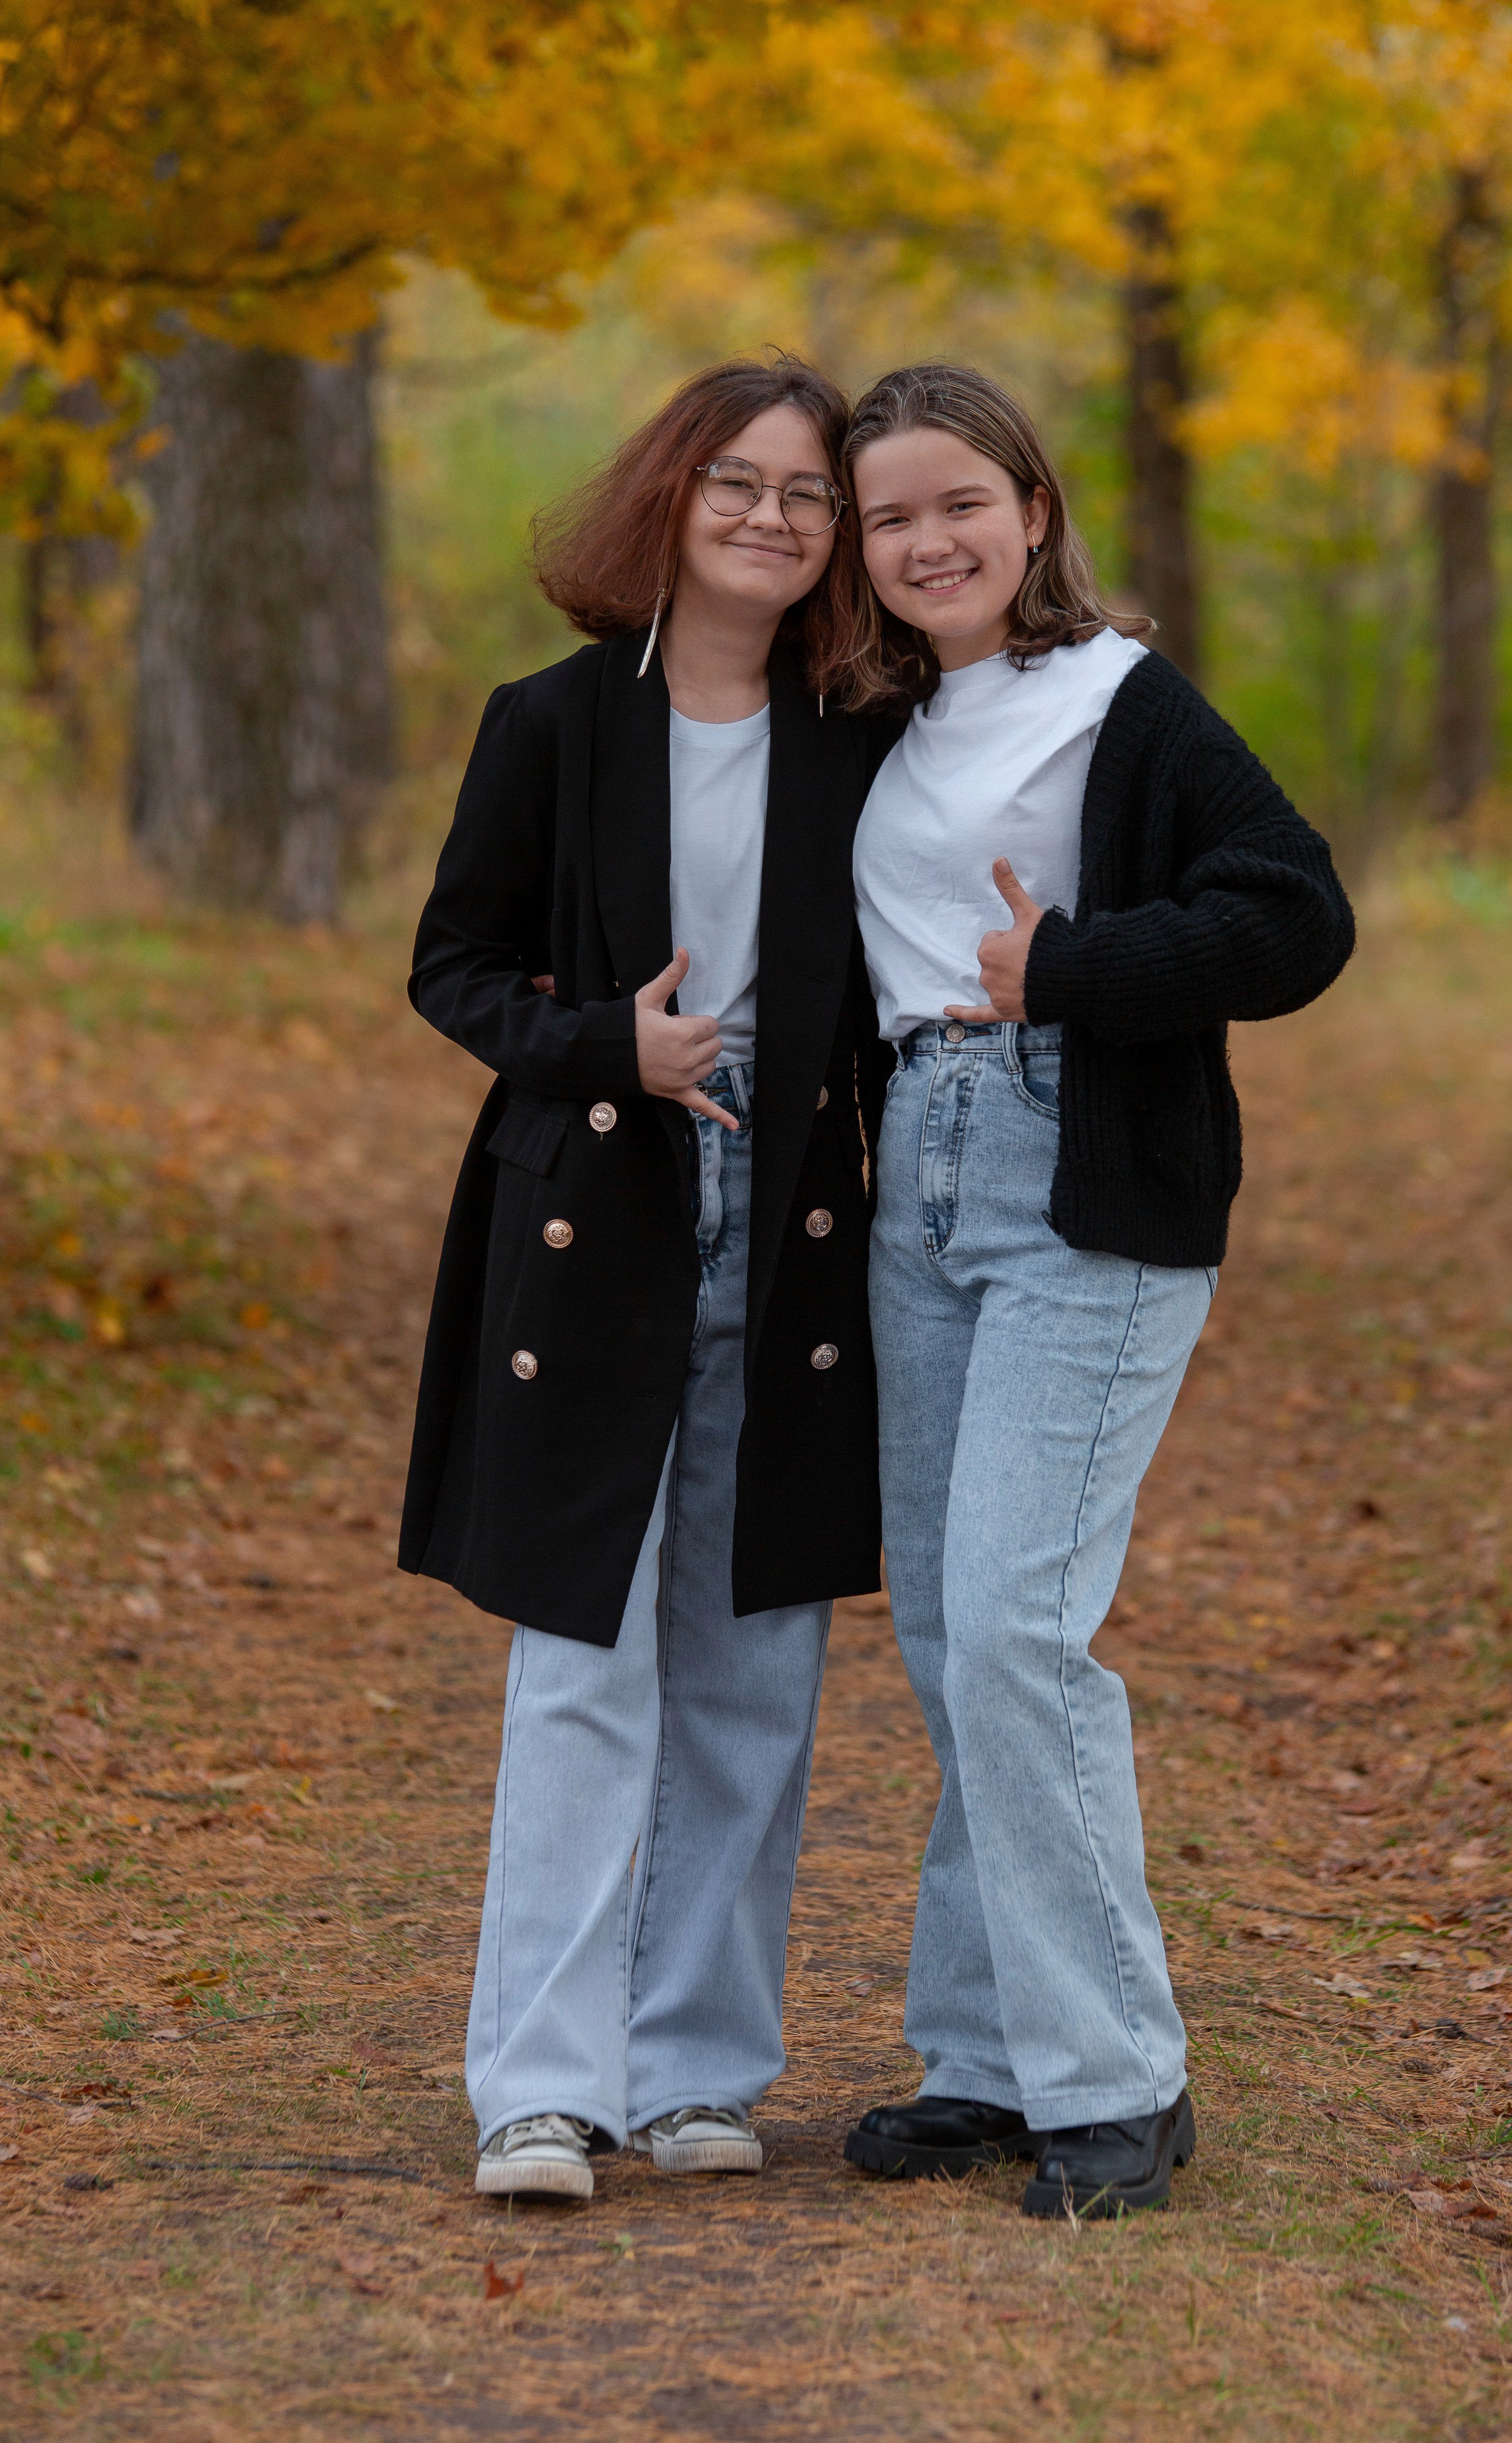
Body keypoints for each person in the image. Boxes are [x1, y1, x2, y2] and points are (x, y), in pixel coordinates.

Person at [815, 363, 1355, 2221]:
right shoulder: (870, 723)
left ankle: (1121, 2079)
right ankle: (986, 2058)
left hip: (1085, 1182)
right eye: (892, 517)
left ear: (1033, 511)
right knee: (953, 1641)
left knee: (1019, 1628)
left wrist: (1071, 969)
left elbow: (1296, 914)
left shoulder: (1119, 696)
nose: (932, 540)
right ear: (861, 552)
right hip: (921, 1193)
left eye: (962, 501)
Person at [398, 357, 892, 2203]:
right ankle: (539, 2081)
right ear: (670, 497)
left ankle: (697, 2065)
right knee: (584, 1662)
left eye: (811, 496)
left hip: (796, 1231)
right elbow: (455, 970)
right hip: (595, 1212)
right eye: (740, 483)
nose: (775, 517)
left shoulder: (865, 733)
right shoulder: (548, 724)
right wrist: (615, 1042)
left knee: (758, 1663)